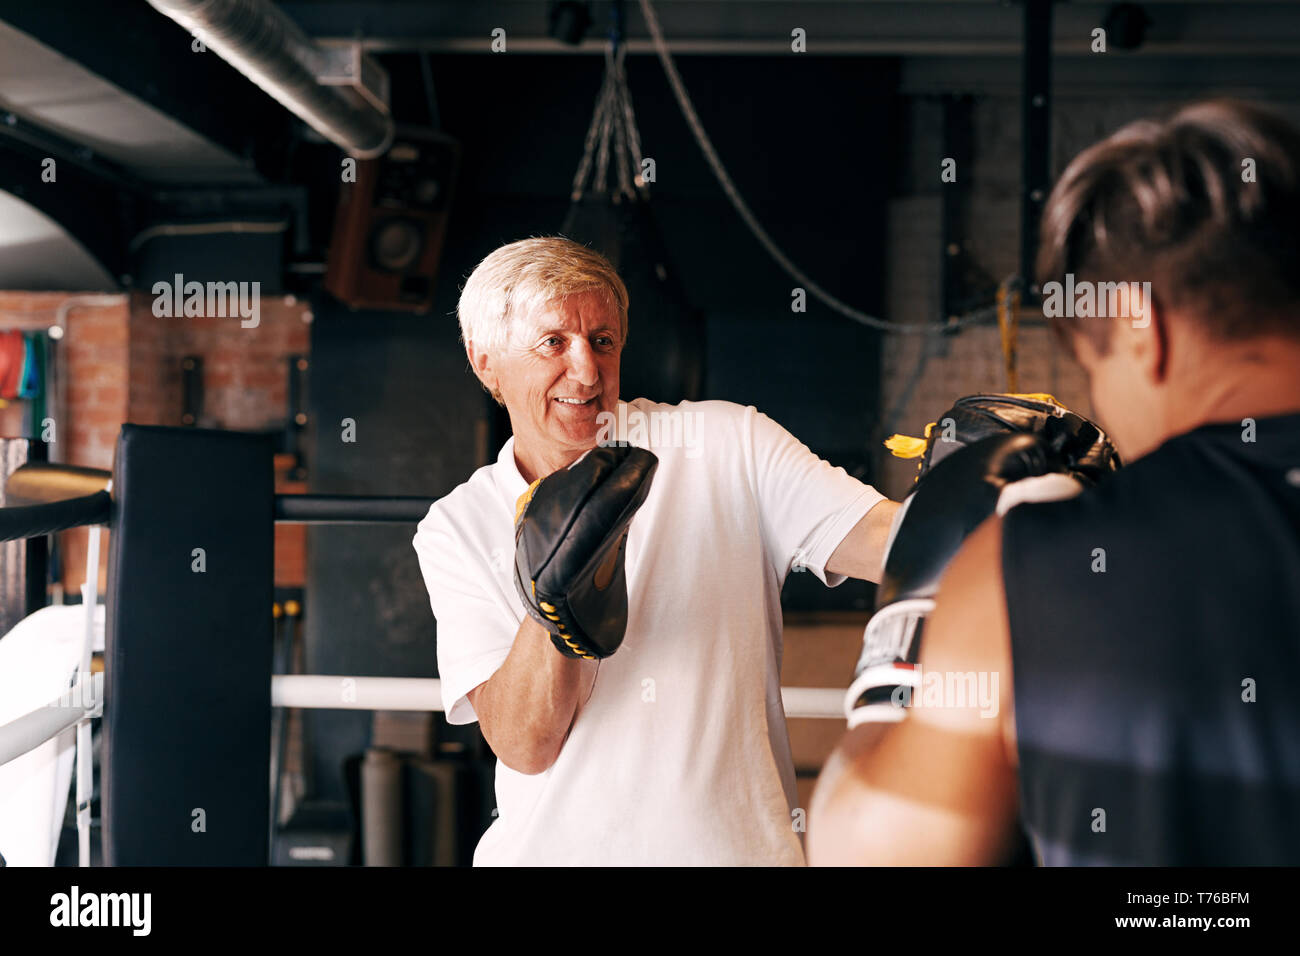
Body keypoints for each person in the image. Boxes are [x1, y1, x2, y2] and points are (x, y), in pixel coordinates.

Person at [809, 98, 1300, 866]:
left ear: (1141, 327)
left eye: (1093, 363)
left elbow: (877, 854)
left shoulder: (1031, 570)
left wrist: (906, 637)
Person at [413, 237, 900, 865]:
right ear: (486, 365)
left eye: (603, 341)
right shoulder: (457, 525)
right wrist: (553, 602)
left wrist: (993, 492)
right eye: (553, 342)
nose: (587, 371)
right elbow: (524, 743)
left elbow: (887, 543)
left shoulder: (727, 444)